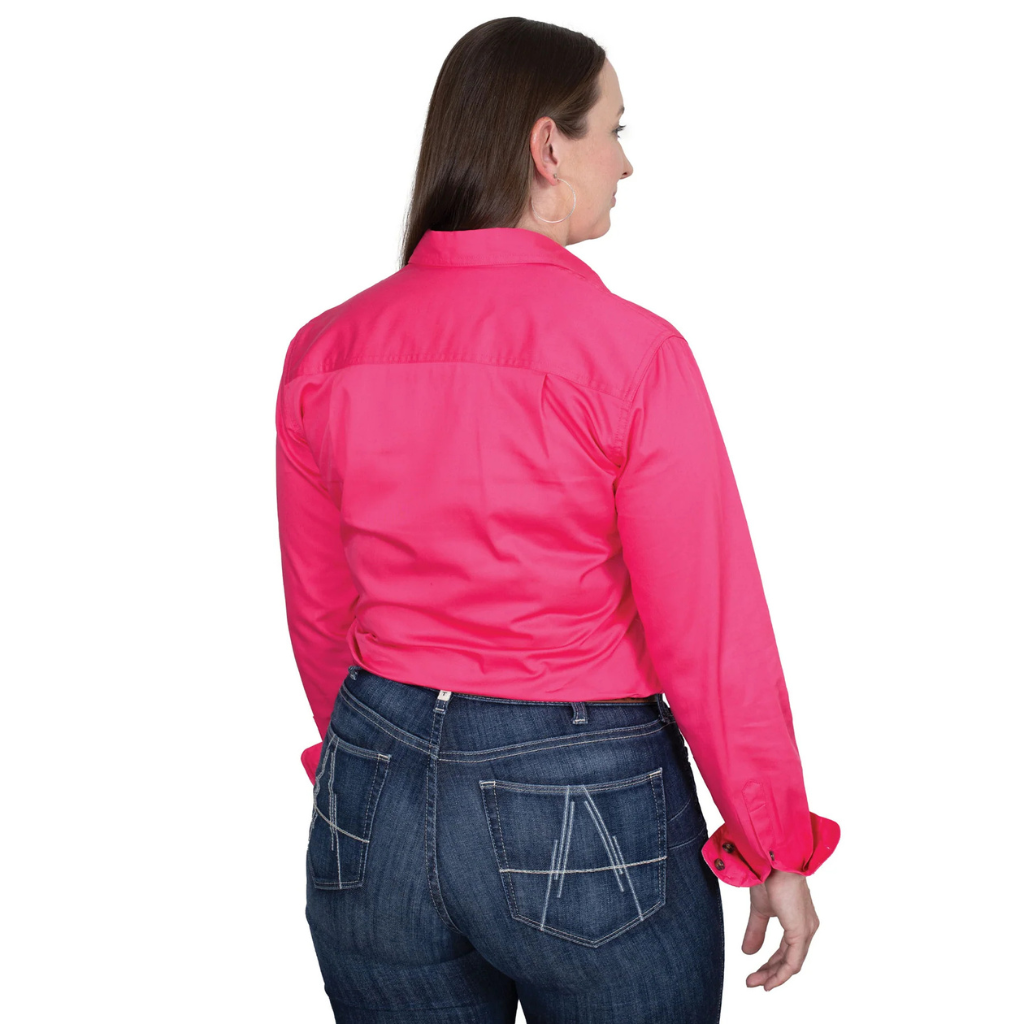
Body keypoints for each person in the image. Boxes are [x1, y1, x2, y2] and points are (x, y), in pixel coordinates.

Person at [275, 16, 840, 1023]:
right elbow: (709, 633)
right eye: (613, 130)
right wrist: (773, 844)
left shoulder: (327, 350)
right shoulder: (631, 355)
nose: (624, 163)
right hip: (582, 798)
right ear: (548, 146)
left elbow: (323, 609)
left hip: (372, 786)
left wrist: (373, 774)